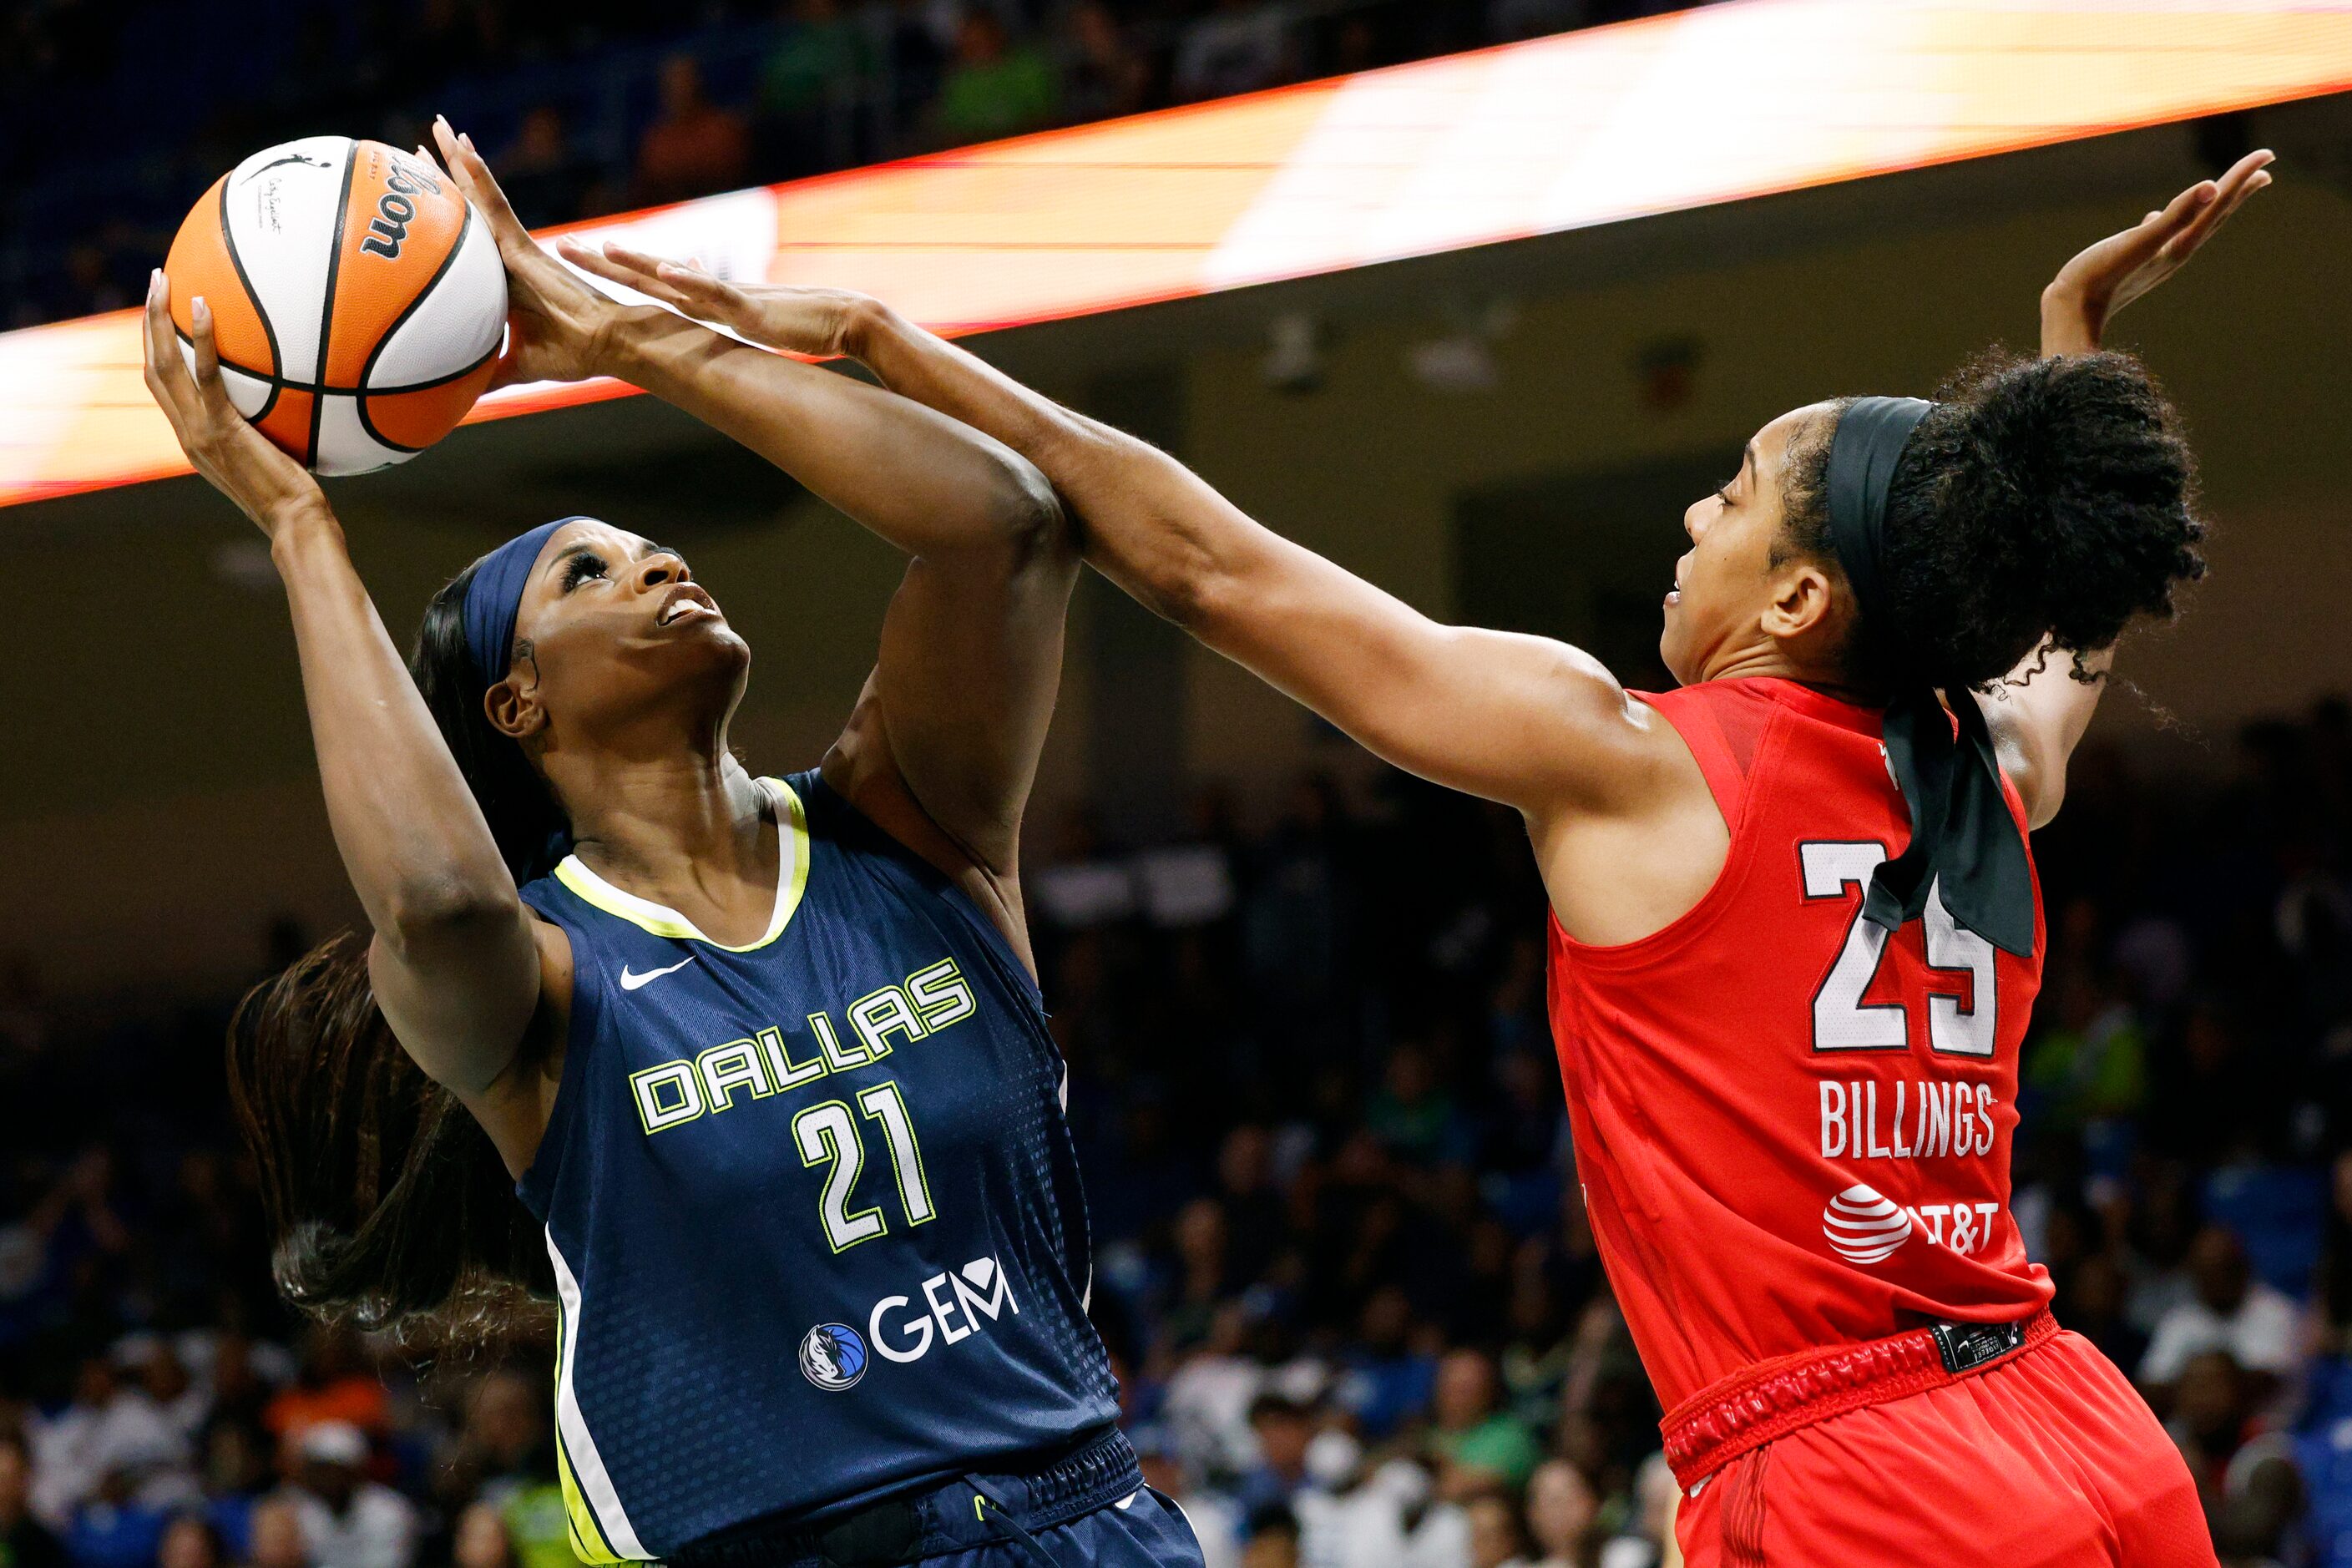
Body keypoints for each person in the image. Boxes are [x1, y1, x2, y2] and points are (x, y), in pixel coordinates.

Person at [574, 149, 2277, 1566]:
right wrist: (2061, 369)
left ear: (1793, 603)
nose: (1689, 518)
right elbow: (2063, 628)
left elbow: (1208, 571)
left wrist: (875, 335)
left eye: (1732, 492)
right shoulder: (1987, 766)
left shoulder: (1630, 762)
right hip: (2078, 1428)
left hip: (1857, 1478)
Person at [143, 121, 1200, 1568]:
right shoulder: (543, 977)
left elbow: (1001, 527)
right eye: (588, 569)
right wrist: (299, 524)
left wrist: (620, 337)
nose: (657, 561)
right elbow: (439, 898)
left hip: (1083, 1515)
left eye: (650, 543)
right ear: (515, 704)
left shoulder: (907, 826)